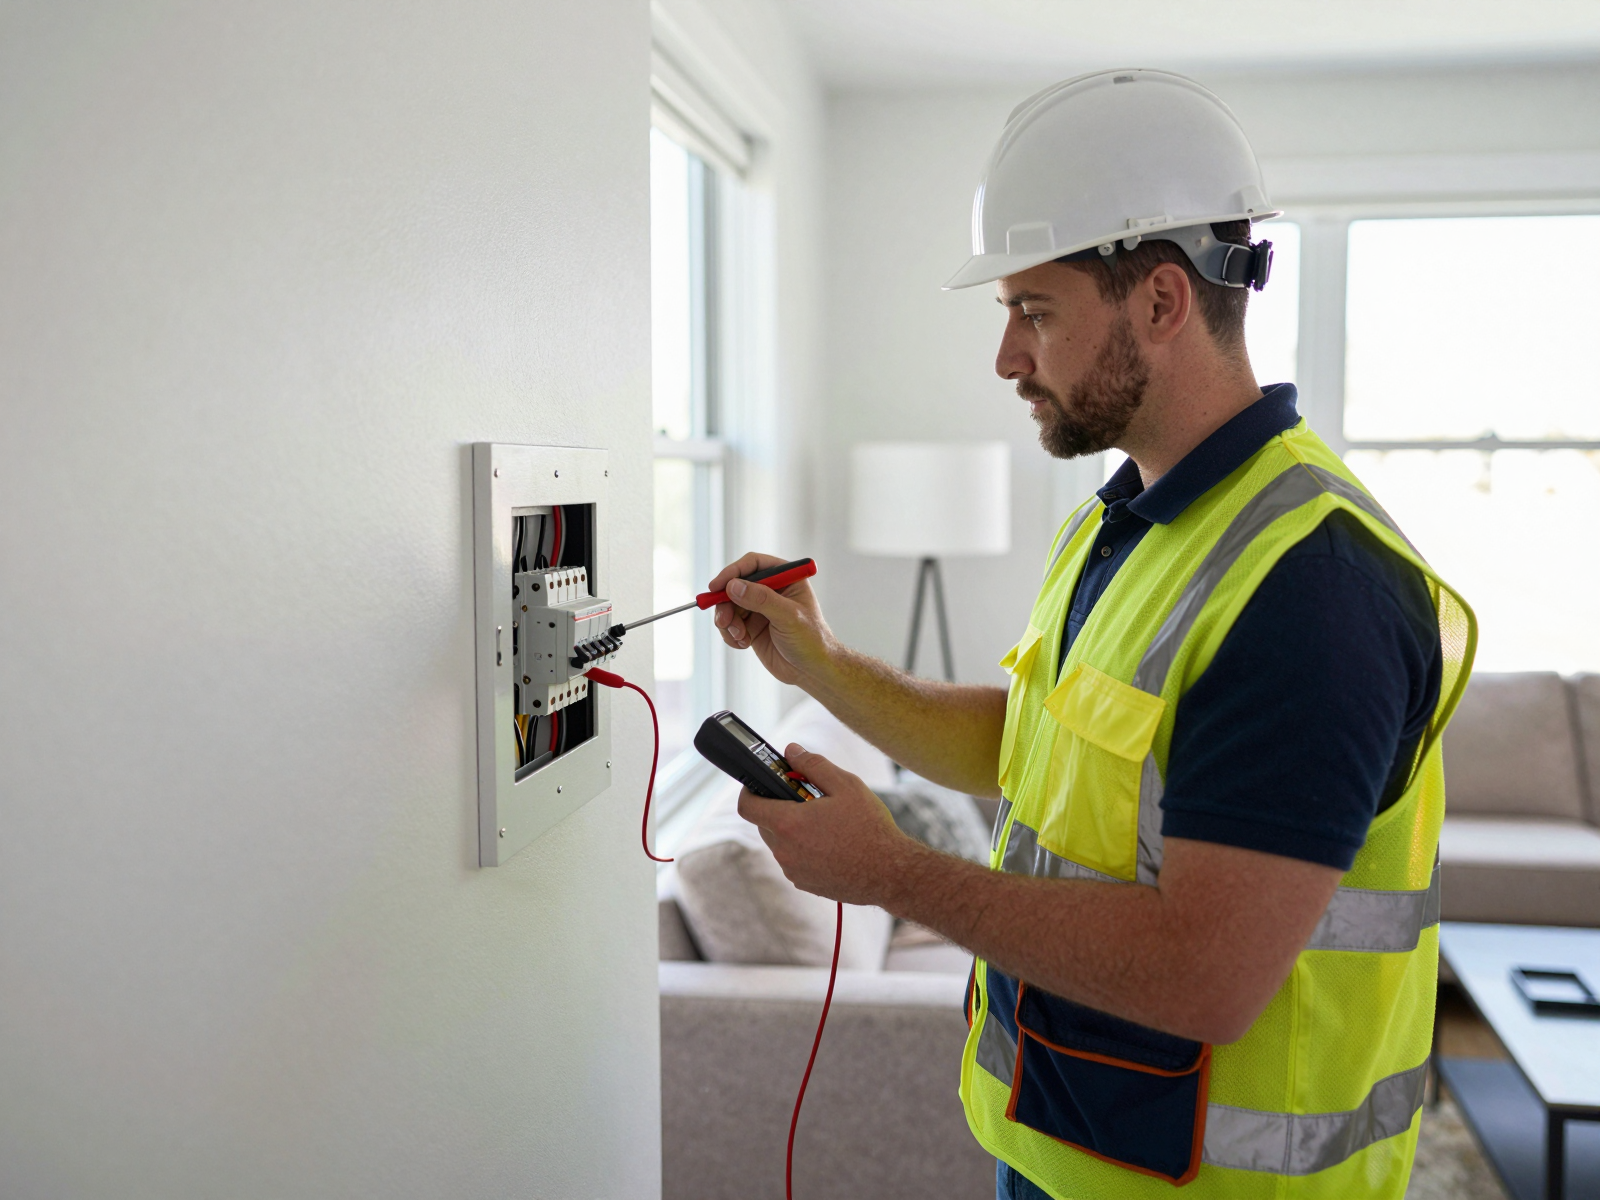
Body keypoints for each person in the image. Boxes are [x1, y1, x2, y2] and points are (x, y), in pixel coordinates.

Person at [709, 69, 1475, 1200]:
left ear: (1161, 302)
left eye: (1034, 311)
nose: (1007, 359)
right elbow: (1027, 745)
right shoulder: (1123, 521)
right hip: (1074, 1146)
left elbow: (1204, 974)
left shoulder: (1311, 589)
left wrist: (895, 875)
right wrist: (819, 668)